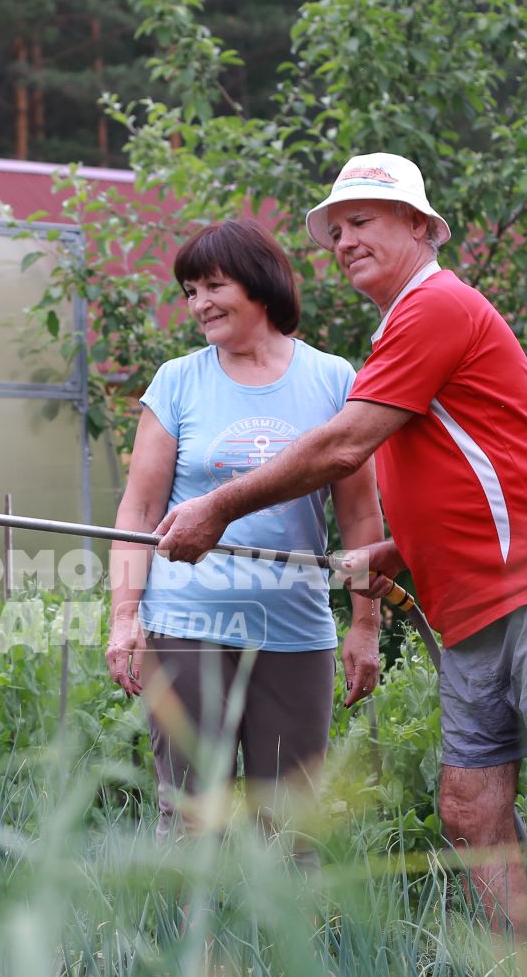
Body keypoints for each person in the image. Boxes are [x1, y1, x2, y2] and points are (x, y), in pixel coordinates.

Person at [155, 154, 527, 946]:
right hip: (468, 604)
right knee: (469, 809)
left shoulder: (437, 305)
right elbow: (456, 465)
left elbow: (345, 446)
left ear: (421, 228)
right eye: (338, 229)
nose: (345, 240)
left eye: (365, 222)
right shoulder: (398, 328)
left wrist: (215, 506)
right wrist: (402, 545)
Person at [105, 219, 386, 836]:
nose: (199, 304)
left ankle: (282, 937)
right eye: (188, 292)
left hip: (295, 630)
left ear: (260, 285)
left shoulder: (335, 379)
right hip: (186, 626)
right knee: (189, 820)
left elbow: (361, 514)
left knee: (291, 827)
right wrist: (125, 617)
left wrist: (366, 624)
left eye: (212, 286)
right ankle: (190, 938)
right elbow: (139, 510)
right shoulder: (178, 381)